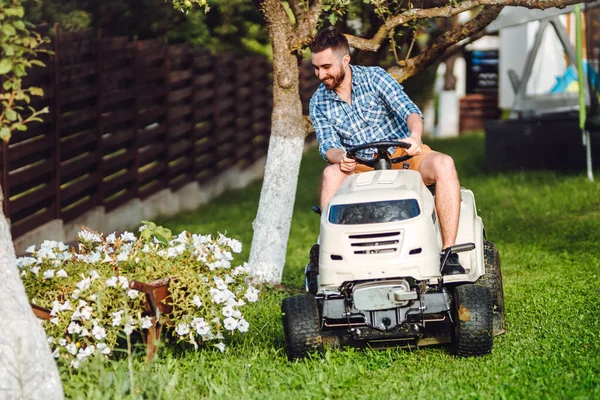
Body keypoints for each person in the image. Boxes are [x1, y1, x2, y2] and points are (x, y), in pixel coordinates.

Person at [308, 27, 464, 275]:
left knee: (444, 163)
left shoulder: (375, 78)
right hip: (360, 166)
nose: (320, 74)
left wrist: (414, 137)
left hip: (404, 158)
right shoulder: (318, 101)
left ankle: (449, 254)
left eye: (326, 67)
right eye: (316, 68)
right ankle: (328, 254)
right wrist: (342, 157)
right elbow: (328, 146)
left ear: (345, 60)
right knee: (330, 175)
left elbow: (410, 112)